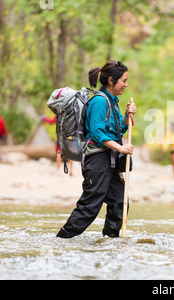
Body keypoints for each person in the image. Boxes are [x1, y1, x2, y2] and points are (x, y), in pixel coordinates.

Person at [56, 60, 136, 239]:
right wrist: (122, 149)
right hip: (98, 160)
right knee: (90, 206)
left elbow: (117, 131)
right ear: (111, 80)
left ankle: (110, 240)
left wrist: (126, 115)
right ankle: (62, 239)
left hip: (111, 159)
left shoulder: (112, 102)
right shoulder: (100, 101)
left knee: (120, 202)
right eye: (123, 80)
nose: (126, 84)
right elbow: (98, 133)